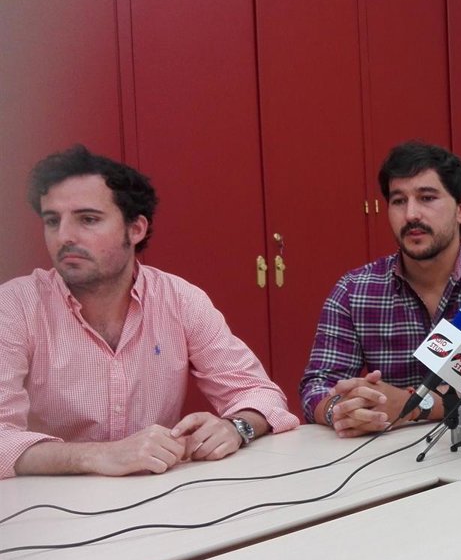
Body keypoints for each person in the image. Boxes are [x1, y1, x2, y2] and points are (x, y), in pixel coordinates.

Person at [0, 146, 299, 479]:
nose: (65, 236)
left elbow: (259, 393)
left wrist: (236, 426)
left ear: (136, 229)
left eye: (88, 219)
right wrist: (96, 456)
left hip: (157, 494)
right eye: (52, 221)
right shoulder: (14, 307)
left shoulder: (180, 300)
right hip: (48, 500)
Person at [300, 141, 461, 437]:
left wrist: (414, 405)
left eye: (427, 198)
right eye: (398, 201)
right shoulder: (354, 290)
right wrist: (342, 409)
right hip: (383, 451)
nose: (410, 215)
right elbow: (317, 384)